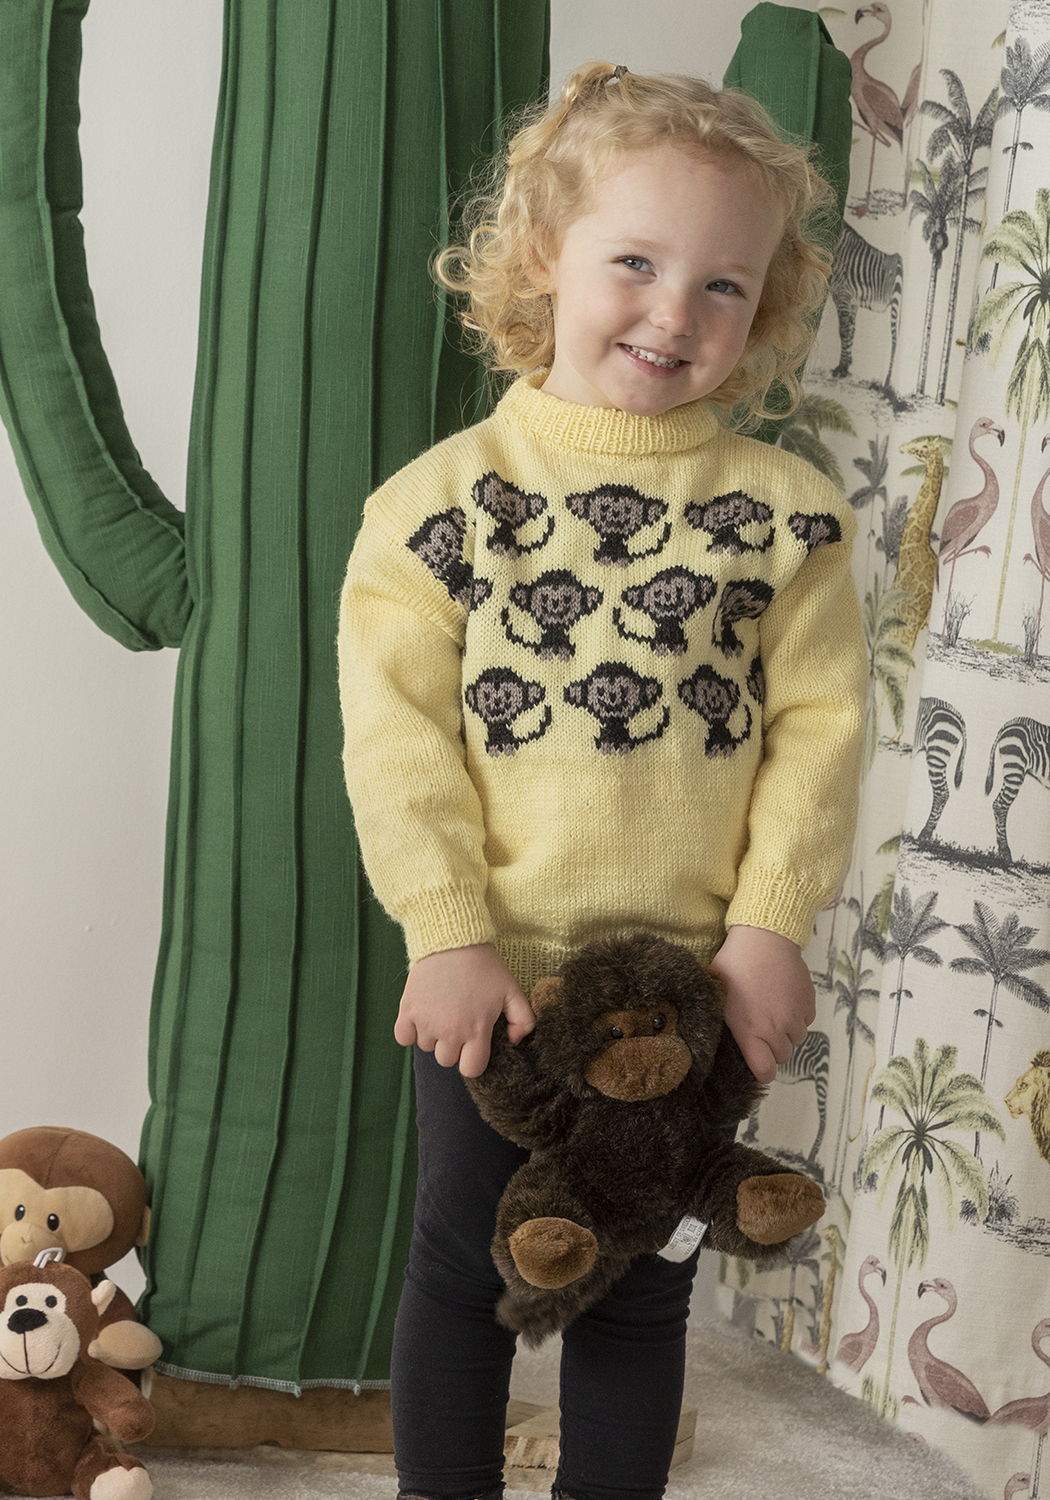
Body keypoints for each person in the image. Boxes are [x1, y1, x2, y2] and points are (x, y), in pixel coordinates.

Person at [338, 61, 866, 1500]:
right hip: (499, 985)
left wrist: (769, 927)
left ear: (763, 307)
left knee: (641, 1279)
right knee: (469, 1264)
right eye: (635, 262)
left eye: (721, 284)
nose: (673, 312)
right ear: (539, 255)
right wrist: (446, 931)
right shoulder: (438, 510)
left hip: (696, 988)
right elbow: (397, 742)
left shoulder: (789, 518)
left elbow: (820, 730)